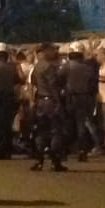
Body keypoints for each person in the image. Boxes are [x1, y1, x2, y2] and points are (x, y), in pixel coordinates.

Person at [30, 42, 67, 172]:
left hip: (40, 101)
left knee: (41, 131)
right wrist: (58, 103)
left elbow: (33, 83)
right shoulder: (49, 67)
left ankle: (39, 160)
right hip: (50, 102)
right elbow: (53, 87)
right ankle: (55, 160)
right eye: (52, 50)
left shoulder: (37, 66)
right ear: (46, 51)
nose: (54, 52)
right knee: (56, 130)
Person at [60, 42, 97, 162]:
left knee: (67, 125)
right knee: (82, 125)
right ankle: (82, 151)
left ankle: (64, 150)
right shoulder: (88, 68)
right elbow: (93, 86)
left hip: (70, 99)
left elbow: (58, 80)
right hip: (84, 99)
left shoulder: (67, 66)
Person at [0, 42, 21, 160]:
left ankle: (1, 150)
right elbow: (18, 82)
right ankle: (7, 150)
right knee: (7, 126)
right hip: (10, 99)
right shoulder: (12, 68)